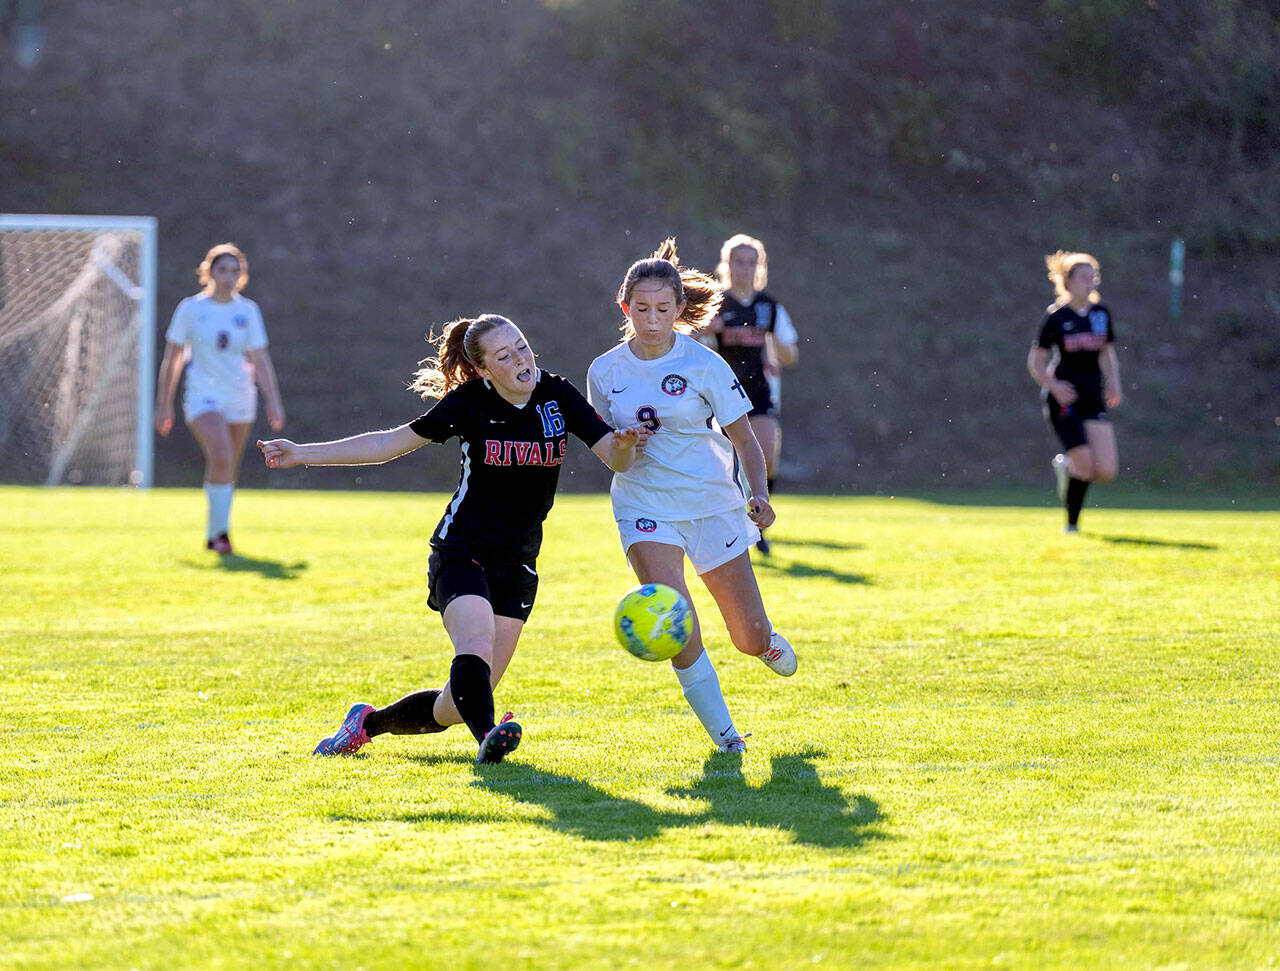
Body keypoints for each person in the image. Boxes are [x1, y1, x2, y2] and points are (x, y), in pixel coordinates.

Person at [258, 315, 648, 764]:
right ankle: (489, 738)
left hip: (519, 562)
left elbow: (616, 459)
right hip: (463, 549)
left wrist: (625, 443)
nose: (521, 359)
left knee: (455, 704)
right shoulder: (468, 403)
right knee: (475, 648)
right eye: (504, 356)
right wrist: (301, 454)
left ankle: (368, 724)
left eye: (522, 346)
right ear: (483, 370)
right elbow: (387, 444)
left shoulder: (557, 395)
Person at [587, 239, 798, 756]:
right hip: (644, 507)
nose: (652, 319)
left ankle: (763, 640)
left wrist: (760, 495)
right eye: (641, 309)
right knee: (675, 618)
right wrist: (625, 448)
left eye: (663, 309)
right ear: (624, 307)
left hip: (712, 504)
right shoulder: (604, 372)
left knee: (748, 637)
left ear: (681, 309)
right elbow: (611, 459)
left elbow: (744, 440)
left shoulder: (704, 365)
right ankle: (727, 737)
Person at [154, 243, 285, 554]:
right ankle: (220, 535)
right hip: (203, 396)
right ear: (209, 272)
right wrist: (163, 404)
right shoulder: (191, 308)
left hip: (240, 396)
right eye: (223, 269)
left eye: (235, 270)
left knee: (227, 467)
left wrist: (273, 401)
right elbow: (172, 358)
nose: (229, 276)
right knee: (221, 454)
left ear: (242, 275)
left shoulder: (247, 311)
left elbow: (260, 359)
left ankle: (215, 535)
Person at [703, 234, 798, 554]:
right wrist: (705, 329)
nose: (744, 268)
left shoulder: (768, 306)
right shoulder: (715, 303)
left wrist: (773, 343)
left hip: (759, 392)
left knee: (767, 457)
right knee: (725, 466)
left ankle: (760, 526)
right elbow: (688, 344)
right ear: (727, 265)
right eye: (738, 261)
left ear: (759, 267)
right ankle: (729, 528)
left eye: (750, 262)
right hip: (720, 395)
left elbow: (791, 355)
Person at [1026, 251, 1123, 533]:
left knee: (1105, 470)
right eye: (1083, 277)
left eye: (1093, 277)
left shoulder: (1100, 314)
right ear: (1067, 281)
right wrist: (1054, 386)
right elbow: (1036, 362)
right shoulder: (1056, 316)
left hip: (1092, 396)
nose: (1090, 283)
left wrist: (1114, 383)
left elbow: (1106, 353)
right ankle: (1071, 525)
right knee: (1084, 467)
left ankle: (1065, 468)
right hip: (1064, 400)